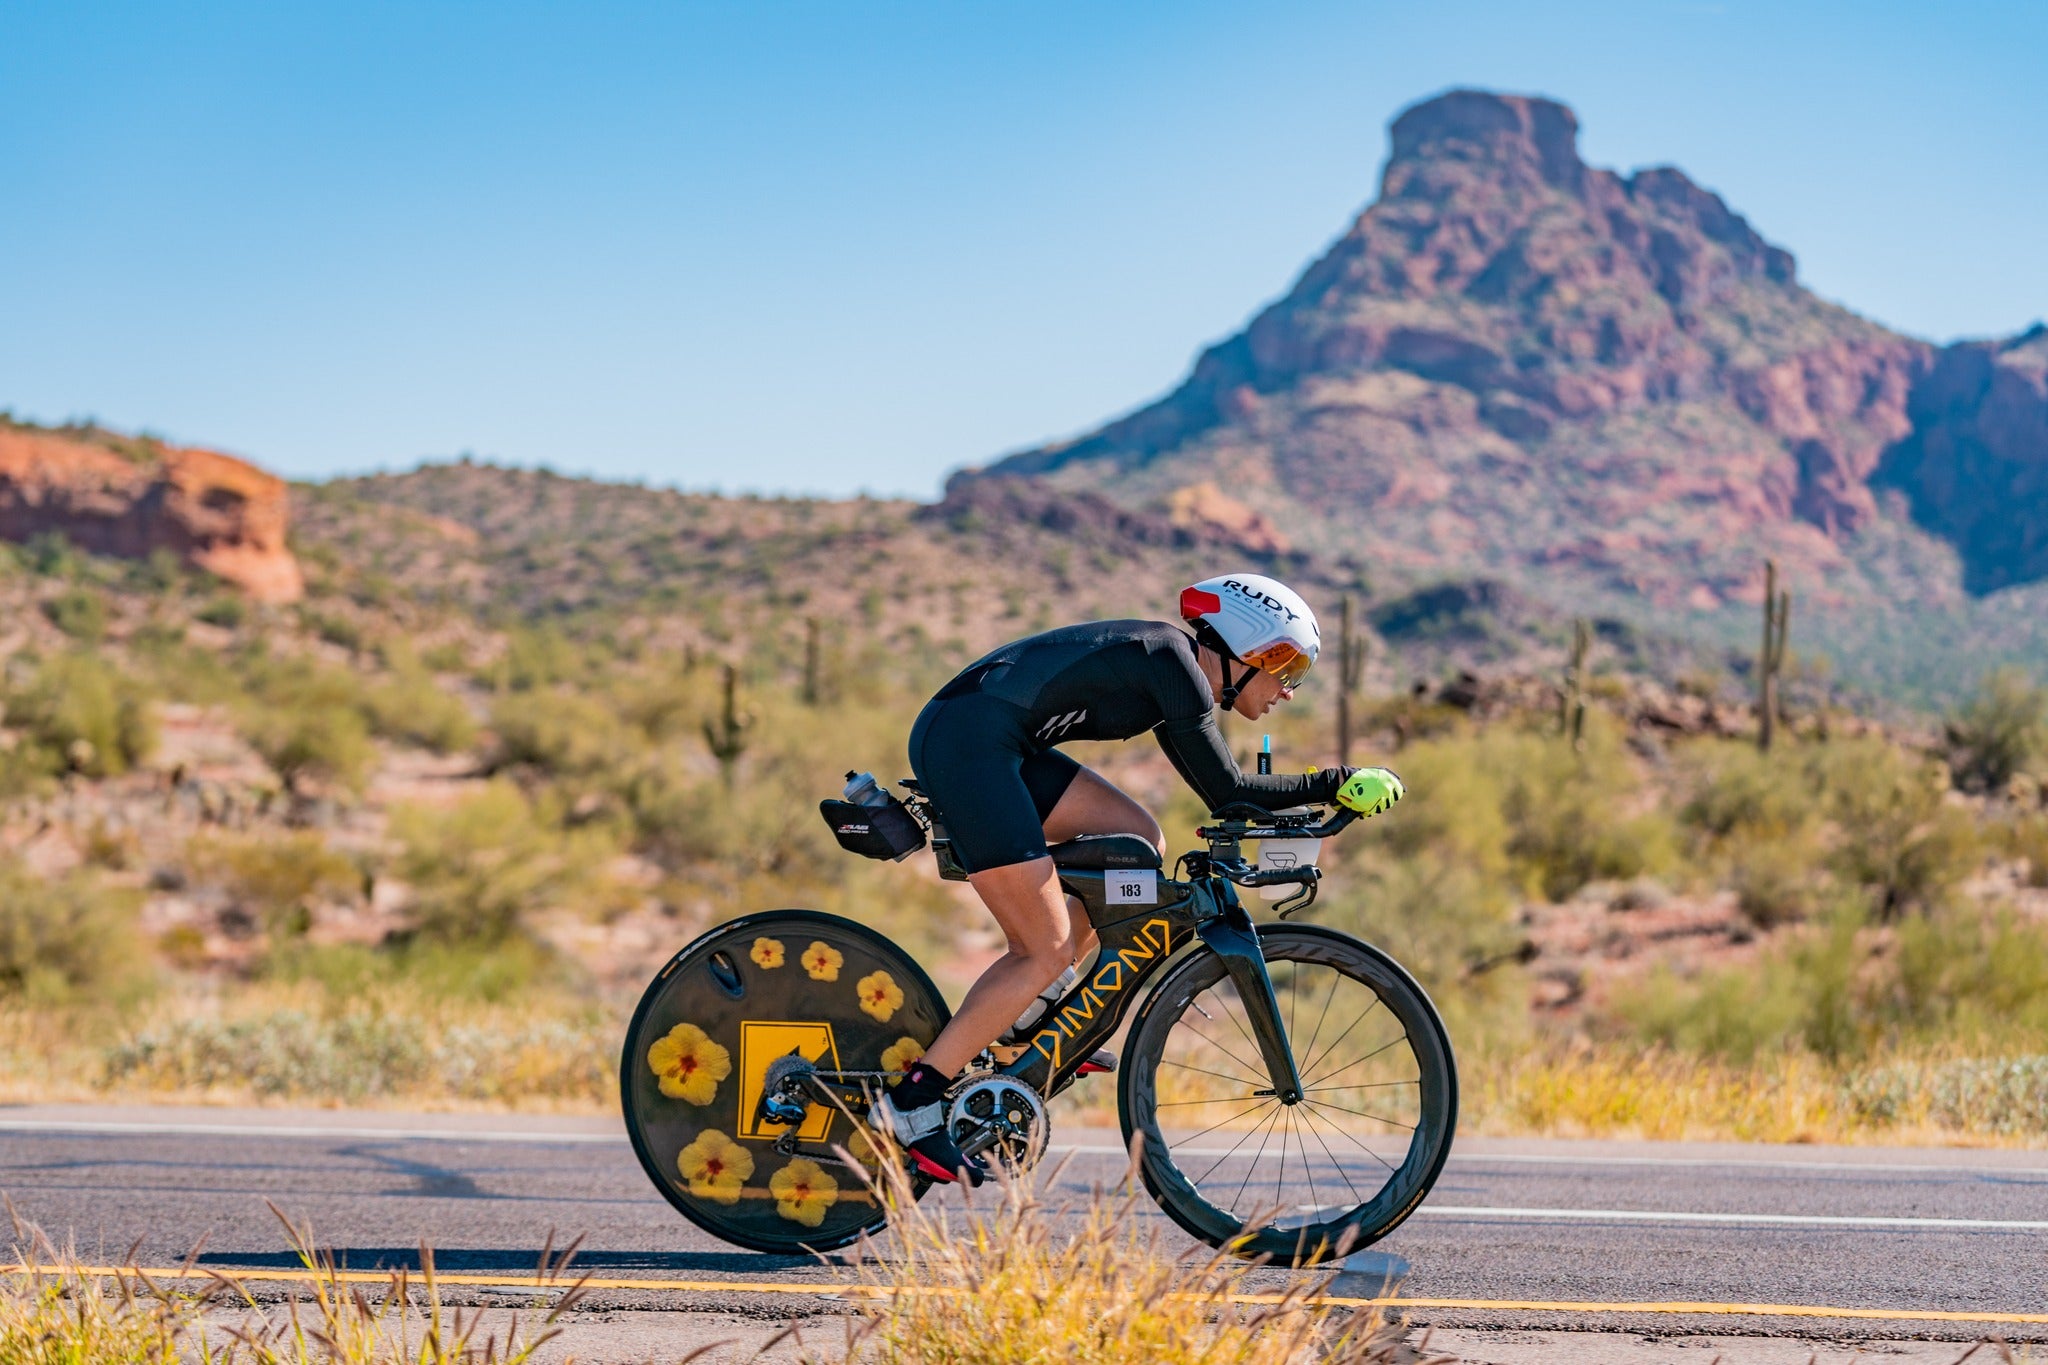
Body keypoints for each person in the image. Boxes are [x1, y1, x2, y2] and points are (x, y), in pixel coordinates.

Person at [869, 573, 1405, 1183]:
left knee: (1138, 840)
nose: (1287, 688)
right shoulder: (1171, 665)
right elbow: (1228, 794)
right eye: (1283, 663)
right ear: (1243, 646)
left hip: (991, 738)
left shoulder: (1170, 669)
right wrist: (1335, 782)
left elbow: (1224, 800)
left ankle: (1025, 1018)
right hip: (969, 745)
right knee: (1039, 948)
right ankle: (910, 1105)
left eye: (1297, 672)